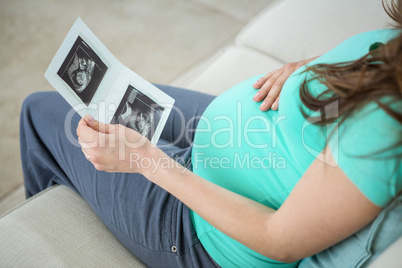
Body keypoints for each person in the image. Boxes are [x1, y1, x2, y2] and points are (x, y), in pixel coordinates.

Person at [20, 1, 401, 267]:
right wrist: (314, 71)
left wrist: (145, 159)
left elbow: (277, 239)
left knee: (39, 112)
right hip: (239, 129)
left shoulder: (386, 131)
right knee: (105, 97)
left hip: (207, 232)